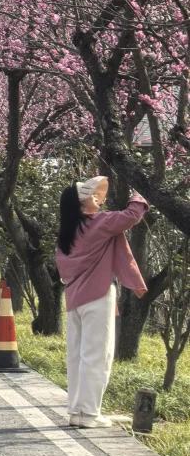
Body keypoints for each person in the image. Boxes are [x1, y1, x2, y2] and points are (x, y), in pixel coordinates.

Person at [55, 176, 148, 429]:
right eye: (91, 194)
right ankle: (90, 413)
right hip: (97, 297)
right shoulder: (99, 222)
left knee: (76, 355)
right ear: (81, 200)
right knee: (97, 355)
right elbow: (132, 215)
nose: (97, 196)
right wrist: (139, 193)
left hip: (74, 298)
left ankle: (76, 410)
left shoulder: (68, 231)